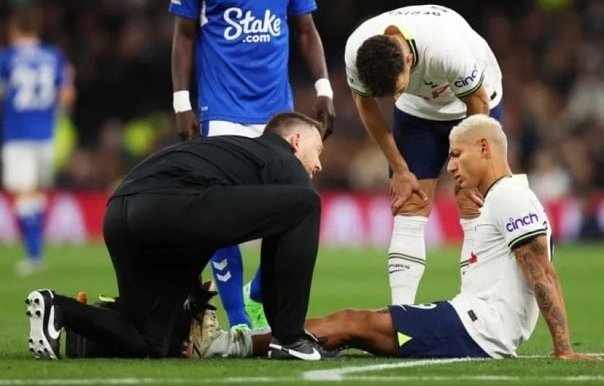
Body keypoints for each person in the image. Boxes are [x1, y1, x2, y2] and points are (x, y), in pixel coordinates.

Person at [194, 115, 601, 362]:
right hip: (473, 322)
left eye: (456, 155)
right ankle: (246, 342)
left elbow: (541, 271)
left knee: (350, 323)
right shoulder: (494, 200)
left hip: (477, 330)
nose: (450, 166)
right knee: (353, 323)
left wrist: (563, 347)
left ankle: (227, 345)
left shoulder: (511, 196)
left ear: (484, 148)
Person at [25, 111, 339, 361]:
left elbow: (273, 238)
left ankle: (60, 309)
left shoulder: (231, 154)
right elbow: (289, 228)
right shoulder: (281, 155)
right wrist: (286, 333)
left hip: (120, 210)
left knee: (149, 340)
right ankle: (290, 341)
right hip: (170, 205)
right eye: (318, 151)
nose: (319, 164)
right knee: (307, 203)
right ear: (296, 140)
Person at [169, 0, 336, 331]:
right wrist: (181, 102)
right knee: (221, 211)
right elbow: (184, 34)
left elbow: (306, 30)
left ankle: (256, 295)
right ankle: (239, 321)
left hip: (277, 113)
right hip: (222, 108)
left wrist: (324, 88)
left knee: (297, 204)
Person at [343, 4, 504, 305]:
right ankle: (402, 313)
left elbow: (478, 103)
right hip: (417, 111)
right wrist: (399, 169)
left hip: (474, 104)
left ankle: (477, 306)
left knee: (472, 203)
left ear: (408, 60)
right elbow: (367, 107)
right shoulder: (357, 51)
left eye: (398, 88)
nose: (394, 97)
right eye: (388, 95)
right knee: (410, 201)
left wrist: (464, 165)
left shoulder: (446, 49)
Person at [0, 6, 76, 275]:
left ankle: (34, 254)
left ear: (14, 30)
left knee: (23, 193)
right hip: (47, 134)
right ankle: (36, 249)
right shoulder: (54, 56)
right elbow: (67, 95)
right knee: (37, 192)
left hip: (17, 133)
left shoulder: (7, 58)